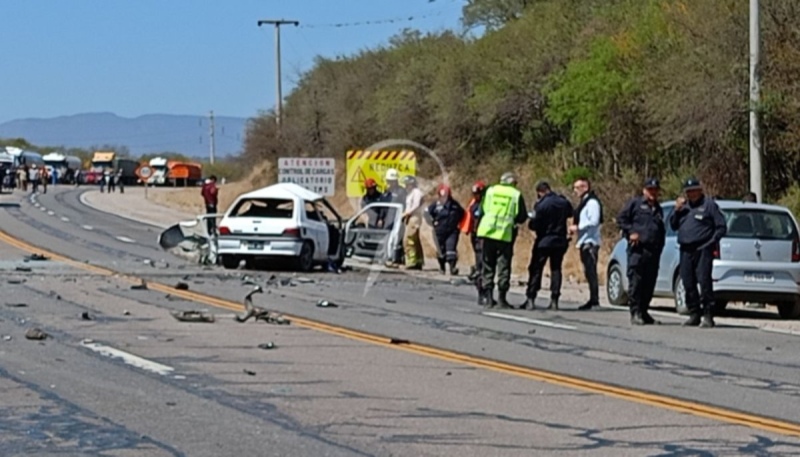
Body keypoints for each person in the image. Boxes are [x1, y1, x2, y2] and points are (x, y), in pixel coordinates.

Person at [670, 178, 727, 328]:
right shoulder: (683, 207)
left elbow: (721, 227)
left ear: (700, 190)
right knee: (687, 282)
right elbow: (673, 225)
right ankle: (694, 313)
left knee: (704, 281)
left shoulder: (709, 205)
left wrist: (711, 242)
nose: (692, 193)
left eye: (694, 190)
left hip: (703, 249)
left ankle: (708, 315)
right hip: (685, 249)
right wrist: (676, 211)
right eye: (689, 191)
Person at [617, 178, 666, 325]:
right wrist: (631, 232)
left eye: (655, 190)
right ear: (644, 190)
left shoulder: (658, 208)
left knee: (649, 283)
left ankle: (644, 312)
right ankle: (635, 312)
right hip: (638, 250)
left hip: (653, 252)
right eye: (650, 190)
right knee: (636, 282)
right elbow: (621, 219)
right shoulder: (635, 204)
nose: (653, 193)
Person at [476, 172, 528, 308]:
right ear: (513, 182)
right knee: (503, 266)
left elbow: (481, 210)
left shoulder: (491, 191)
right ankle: (502, 299)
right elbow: (522, 216)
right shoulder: (516, 194)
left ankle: (488, 298)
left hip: (487, 232)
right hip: (505, 234)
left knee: (487, 265)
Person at [522, 181, 574, 311]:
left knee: (536, 269)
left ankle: (531, 298)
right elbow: (571, 214)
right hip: (560, 241)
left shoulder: (541, 205)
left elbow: (534, 224)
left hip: (544, 241)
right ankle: (554, 299)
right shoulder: (563, 202)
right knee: (556, 269)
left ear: (540, 192)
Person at [570, 177, 603, 310]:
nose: (575, 191)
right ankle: (591, 299)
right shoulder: (584, 203)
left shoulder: (592, 203)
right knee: (587, 271)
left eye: (577, 188)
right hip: (584, 241)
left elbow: (594, 221)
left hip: (591, 242)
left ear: (585, 188)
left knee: (591, 271)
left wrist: (578, 227)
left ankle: (595, 301)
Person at [425, 184, 465, 275]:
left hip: (452, 231)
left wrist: (458, 224)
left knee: (451, 250)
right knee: (441, 251)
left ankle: (452, 268)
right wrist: (432, 223)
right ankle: (442, 268)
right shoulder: (435, 205)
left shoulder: (455, 205)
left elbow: (462, 214)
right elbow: (427, 214)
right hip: (439, 231)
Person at [459, 180, 486, 286]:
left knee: (481, 252)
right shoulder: (474, 202)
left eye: (478, 193)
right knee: (477, 252)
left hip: (483, 233)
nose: (476, 195)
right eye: (474, 193)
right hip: (474, 232)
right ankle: (478, 270)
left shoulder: (486, 203)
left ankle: (480, 272)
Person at [383, 168, 407, 266]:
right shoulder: (387, 191)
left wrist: (403, 216)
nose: (390, 183)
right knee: (388, 239)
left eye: (391, 181)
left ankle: (397, 258)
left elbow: (405, 204)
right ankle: (388, 257)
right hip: (389, 218)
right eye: (388, 181)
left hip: (398, 217)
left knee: (397, 238)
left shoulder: (401, 191)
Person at [401, 175, 425, 270]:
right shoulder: (410, 193)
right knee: (415, 240)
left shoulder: (416, 192)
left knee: (408, 239)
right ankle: (418, 261)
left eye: (407, 184)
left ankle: (411, 261)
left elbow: (416, 205)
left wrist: (407, 213)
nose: (406, 186)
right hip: (410, 217)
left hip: (414, 217)